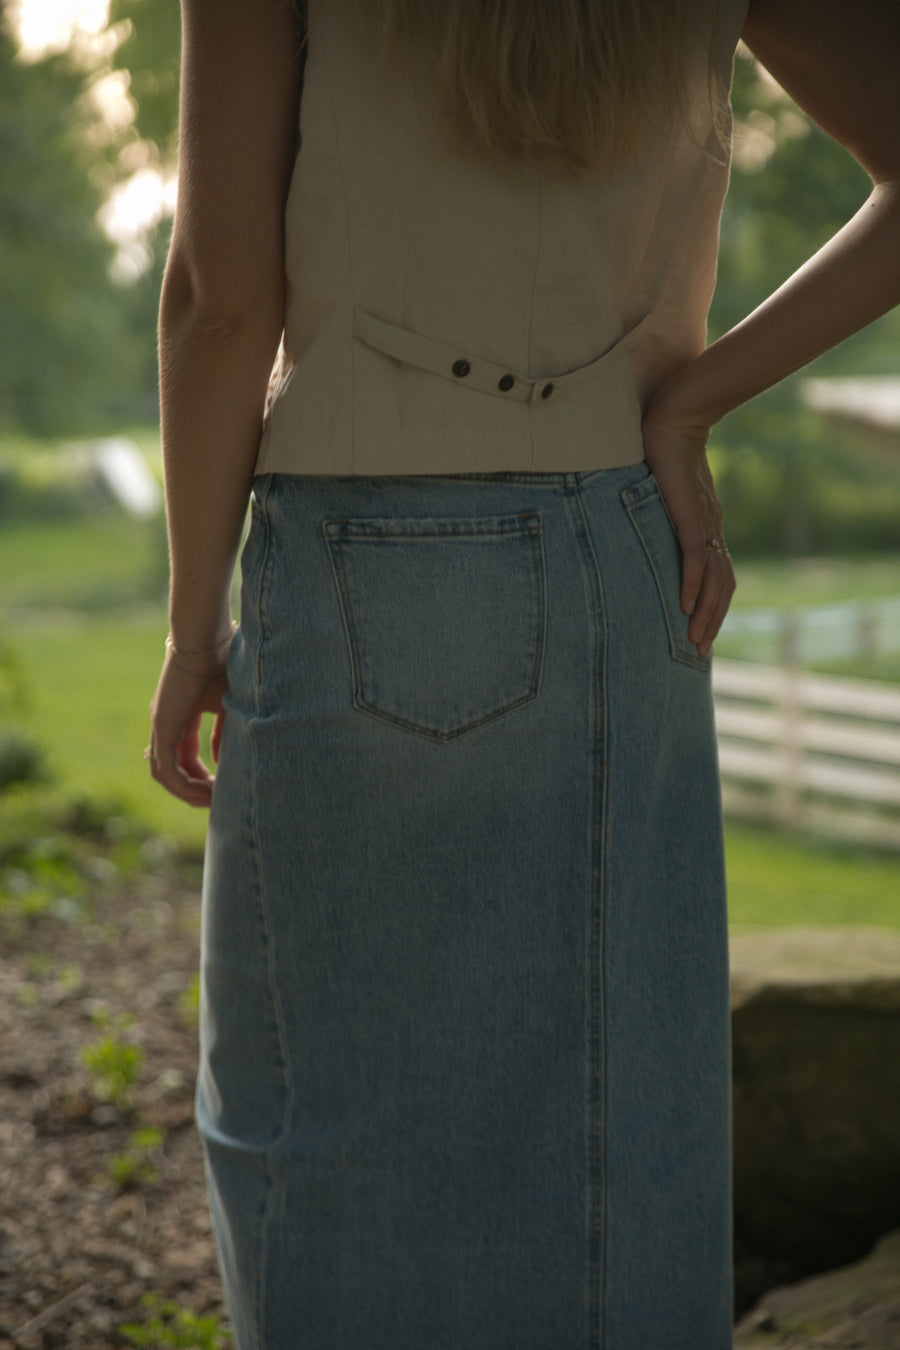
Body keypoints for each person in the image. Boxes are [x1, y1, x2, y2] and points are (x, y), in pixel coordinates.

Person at [147, 0, 900, 1345]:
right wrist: (691, 398)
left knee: (320, 1125)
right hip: (625, 550)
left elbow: (222, 300)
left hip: (359, 553)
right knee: (622, 1120)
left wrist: (193, 627)